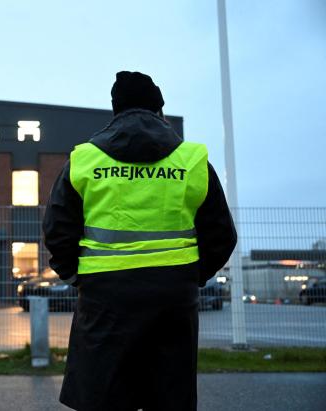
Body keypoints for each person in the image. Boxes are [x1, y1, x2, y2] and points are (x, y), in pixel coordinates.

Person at [43, 71, 237, 411]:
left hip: (104, 295)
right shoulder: (191, 161)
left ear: (115, 110)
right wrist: (191, 275)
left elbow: (58, 229)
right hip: (172, 297)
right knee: (169, 395)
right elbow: (222, 234)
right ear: (159, 110)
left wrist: (74, 276)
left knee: (104, 395)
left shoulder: (86, 159)